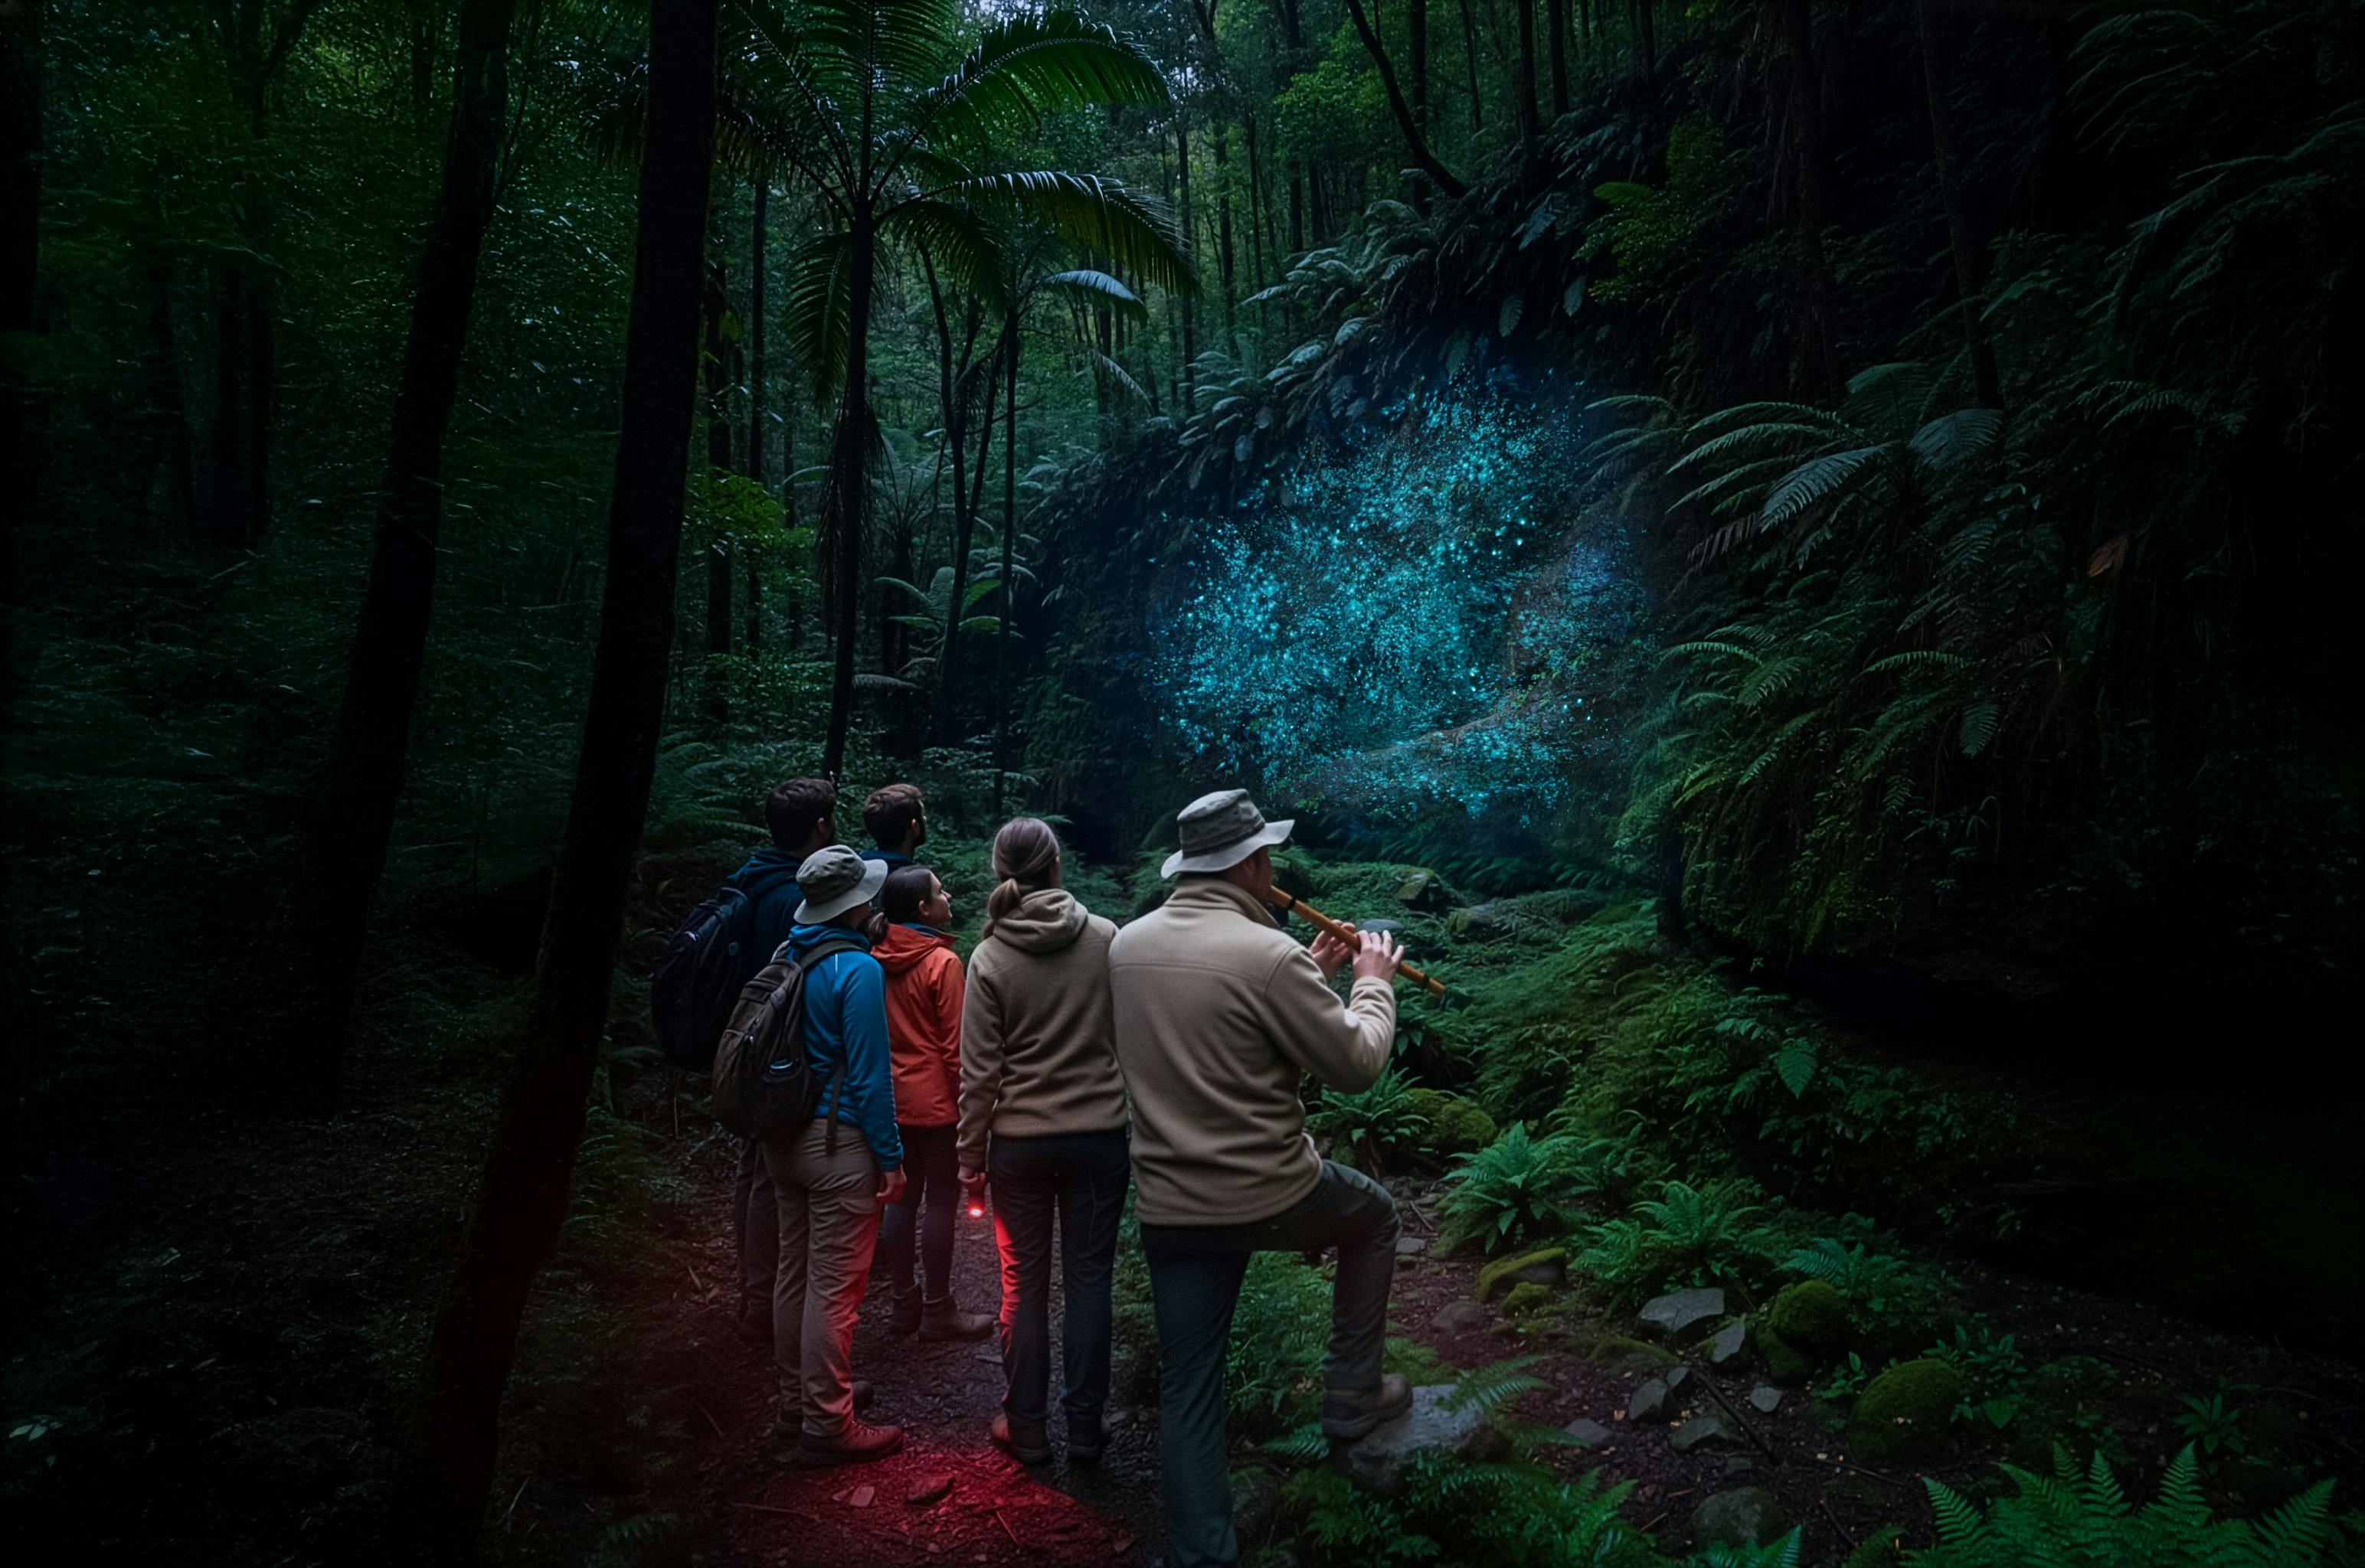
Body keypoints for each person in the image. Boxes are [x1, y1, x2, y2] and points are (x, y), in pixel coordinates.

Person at [1107, 789, 1408, 1568]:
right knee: (1373, 1217)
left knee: (1190, 1383)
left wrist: (1306, 974)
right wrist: (1371, 981)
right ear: (1248, 863)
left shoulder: (1127, 946)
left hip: (1172, 1202)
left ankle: (1202, 1553)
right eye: (1268, 856)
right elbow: (1356, 1065)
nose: (1273, 869)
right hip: (1271, 1191)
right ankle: (1350, 1391)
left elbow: (1216, 1030)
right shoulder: (1266, 955)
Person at [956, 818, 1131, 1465]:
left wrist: (969, 1159)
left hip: (1020, 1146)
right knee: (1089, 1282)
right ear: (1057, 867)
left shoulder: (991, 955)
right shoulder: (1107, 939)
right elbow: (1129, 1039)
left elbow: (980, 1074)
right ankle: (1086, 1430)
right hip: (1098, 1138)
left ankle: (1026, 1427)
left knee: (1021, 1285)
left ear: (1002, 870)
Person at [764, 845, 908, 1467]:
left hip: (781, 1138)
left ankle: (799, 1400)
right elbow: (873, 1078)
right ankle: (828, 1424)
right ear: (859, 903)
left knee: (792, 1274)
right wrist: (893, 1158)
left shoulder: (784, 954)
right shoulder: (858, 969)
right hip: (839, 1144)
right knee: (833, 1290)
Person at [725, 777, 839, 1345]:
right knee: (770, 1178)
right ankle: (766, 1306)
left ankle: (754, 1294)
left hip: (740, 1046)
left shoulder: (749, 879)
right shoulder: (791, 897)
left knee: (752, 1172)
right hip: (776, 1060)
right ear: (820, 827)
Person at [873, 864, 994, 1341]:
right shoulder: (942, 963)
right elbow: (953, 1048)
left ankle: (904, 1305)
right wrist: (971, 1111)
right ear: (923, 908)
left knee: (901, 1198)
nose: (948, 899)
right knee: (942, 1199)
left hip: (890, 1100)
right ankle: (939, 1310)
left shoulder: (873, 955)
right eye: (941, 893)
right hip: (938, 1105)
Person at [858, 782, 927, 870]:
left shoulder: (856, 870)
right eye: (922, 815)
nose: (925, 819)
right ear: (915, 826)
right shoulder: (921, 880)